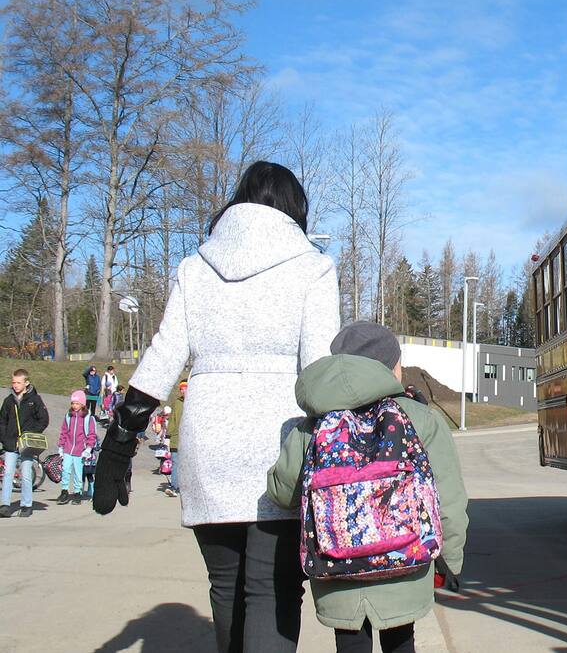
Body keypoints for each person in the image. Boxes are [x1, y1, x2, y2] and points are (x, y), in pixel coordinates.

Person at [92, 160, 340, 653]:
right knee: (272, 590)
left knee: (225, 587)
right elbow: (320, 373)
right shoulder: (312, 267)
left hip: (209, 442)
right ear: (295, 208)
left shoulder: (195, 267)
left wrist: (120, 440)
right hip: (280, 445)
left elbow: (163, 355)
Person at [268, 321, 468, 653]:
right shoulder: (420, 419)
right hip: (406, 567)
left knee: (349, 644)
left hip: (336, 570)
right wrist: (450, 560)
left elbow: (282, 491)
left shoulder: (313, 426)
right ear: (392, 368)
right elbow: (449, 500)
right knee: (402, 642)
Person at [0, 369, 49, 518]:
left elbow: (44, 420)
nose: (15, 385)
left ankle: (26, 505)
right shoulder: (9, 401)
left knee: (26, 474)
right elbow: (2, 422)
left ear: (26, 383)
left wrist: (30, 435)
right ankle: (5, 505)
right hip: (11, 444)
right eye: (13, 382)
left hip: (27, 446)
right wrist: (5, 439)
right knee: (8, 473)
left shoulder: (35, 400)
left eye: (18, 382)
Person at [57, 390, 98, 505]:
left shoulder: (88, 418)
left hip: (80, 450)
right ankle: (64, 491)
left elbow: (92, 434)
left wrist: (88, 448)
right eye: (73, 403)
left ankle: (77, 492)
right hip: (68, 448)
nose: (74, 406)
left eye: (77, 403)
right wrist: (61, 447)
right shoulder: (68, 416)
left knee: (78, 473)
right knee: (65, 470)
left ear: (83, 404)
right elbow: (64, 432)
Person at [164, 380, 186, 497]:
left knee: (187, 464)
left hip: (189, 439)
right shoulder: (177, 403)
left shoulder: (195, 402)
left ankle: (186, 488)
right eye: (181, 389)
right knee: (175, 462)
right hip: (176, 438)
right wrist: (168, 436)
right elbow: (172, 420)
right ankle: (174, 487)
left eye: (185, 388)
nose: (183, 391)